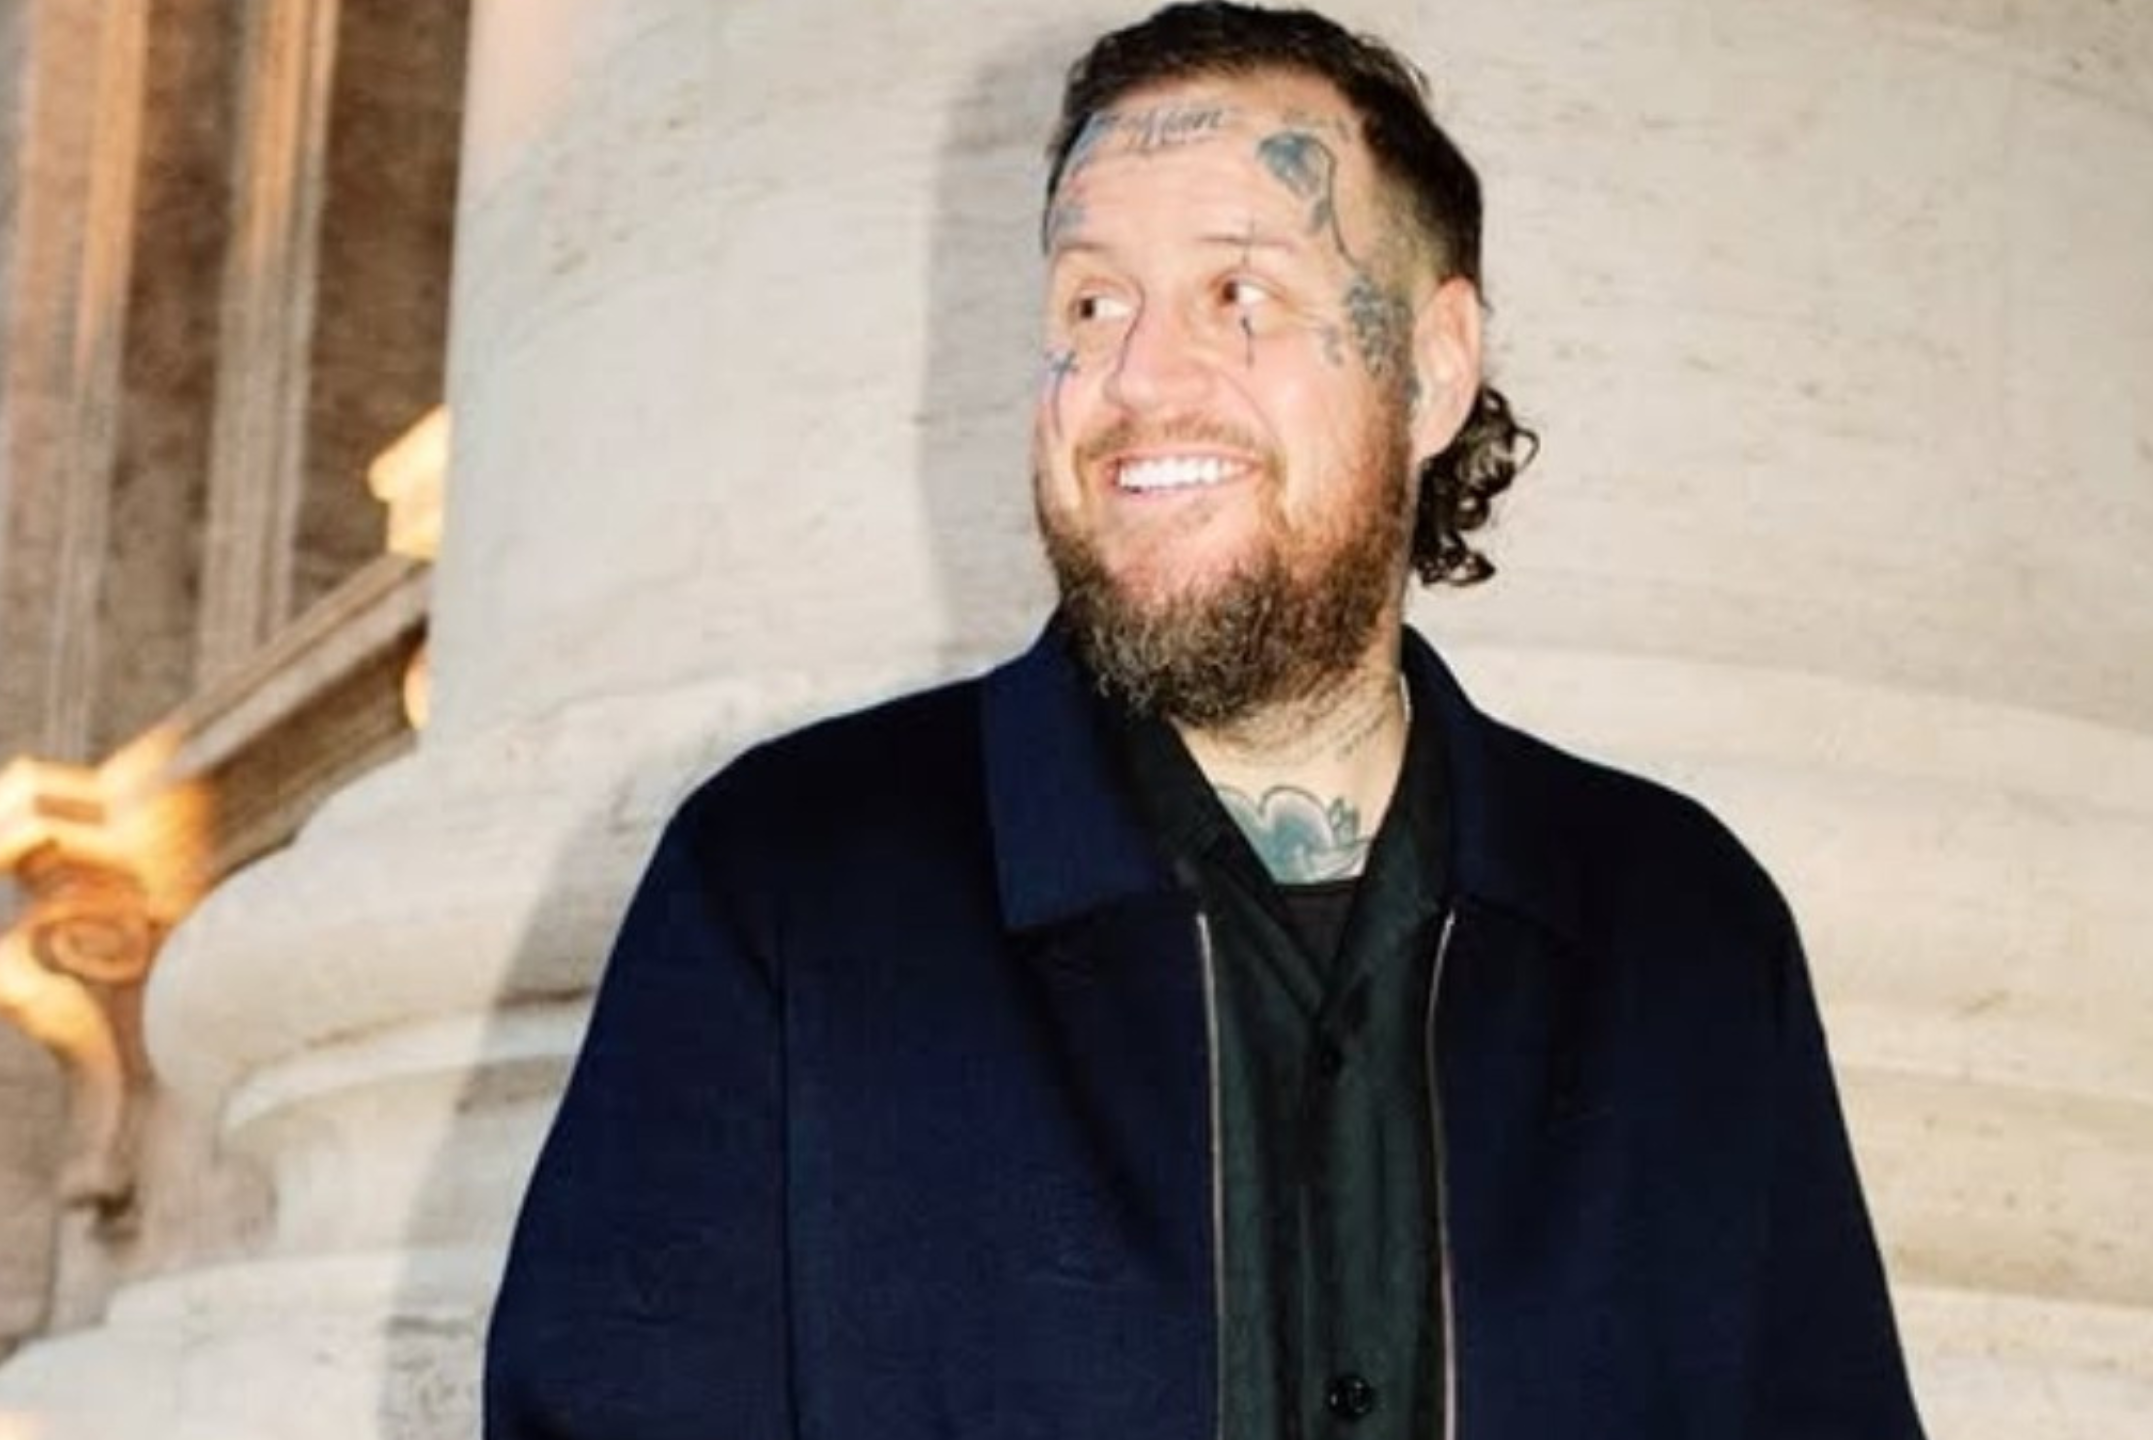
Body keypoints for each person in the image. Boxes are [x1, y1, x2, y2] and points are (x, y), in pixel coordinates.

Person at [483, 4, 1926, 1437]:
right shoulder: (783, 891)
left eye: (1239, 294)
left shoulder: (1689, 935)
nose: (1139, 380)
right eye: (1091, 305)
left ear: (1432, 368)